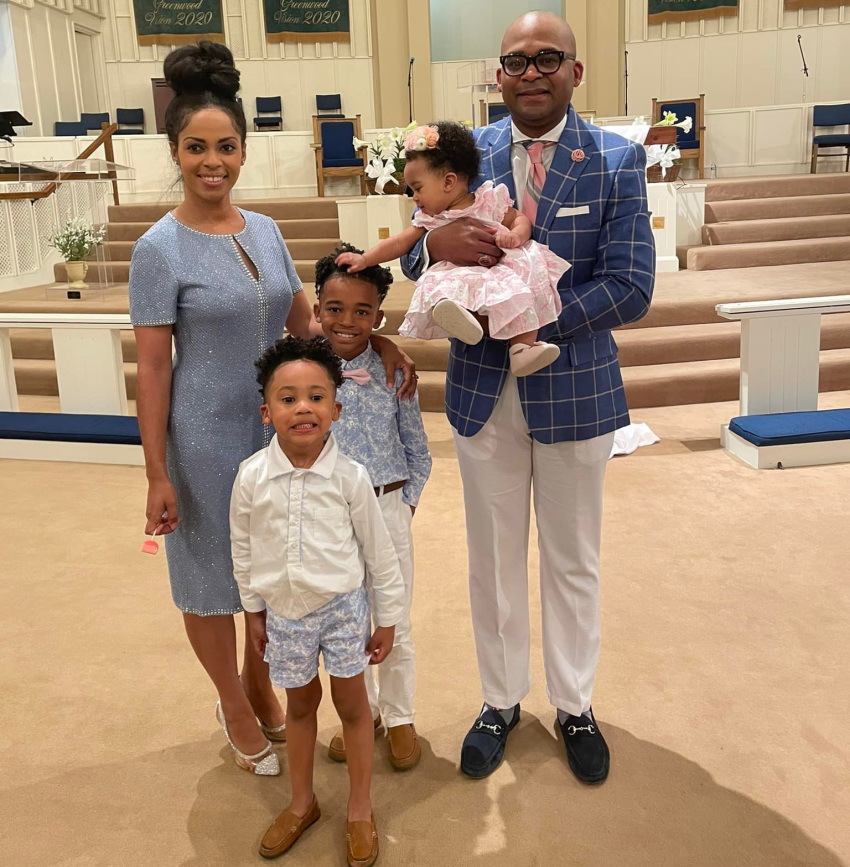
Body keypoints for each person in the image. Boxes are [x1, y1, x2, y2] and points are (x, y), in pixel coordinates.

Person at [129, 41, 414, 777]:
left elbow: (308, 328)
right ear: (175, 150)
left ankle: (260, 685)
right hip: (203, 433)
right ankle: (231, 701)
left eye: (225, 146)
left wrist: (371, 344)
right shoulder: (158, 249)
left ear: (244, 152)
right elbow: (154, 367)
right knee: (210, 579)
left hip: (281, 434)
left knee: (267, 567)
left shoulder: (264, 230)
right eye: (196, 147)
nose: (211, 161)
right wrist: (157, 471)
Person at [402, 12, 655, 784]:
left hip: (574, 384)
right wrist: (429, 248)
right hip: (482, 393)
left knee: (574, 557)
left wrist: (532, 316)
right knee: (493, 558)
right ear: (499, 76)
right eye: (516, 60)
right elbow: (416, 247)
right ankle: (500, 700)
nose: (532, 70)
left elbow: (632, 285)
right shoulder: (462, 153)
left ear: (575, 72)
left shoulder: (613, 160)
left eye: (549, 57)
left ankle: (574, 702)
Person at [231, 336, 404, 866]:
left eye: (315, 396)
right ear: (267, 411)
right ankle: (302, 803)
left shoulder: (351, 479)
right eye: (287, 398)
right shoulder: (251, 477)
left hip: (344, 609)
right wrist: (254, 611)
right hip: (285, 614)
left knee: (353, 709)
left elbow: (381, 554)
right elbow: (243, 547)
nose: (302, 407)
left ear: (336, 408)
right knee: (301, 708)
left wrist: (389, 618)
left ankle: (358, 807)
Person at [313, 245, 432, 771]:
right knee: (346, 617)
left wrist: (404, 504)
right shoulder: (303, 371)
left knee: (392, 615)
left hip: (386, 509)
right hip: (327, 516)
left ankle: (400, 713)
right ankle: (361, 714)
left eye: (363, 312)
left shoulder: (393, 372)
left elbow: (418, 449)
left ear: (378, 317)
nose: (347, 321)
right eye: (334, 309)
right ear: (316, 310)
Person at [336, 121, 570, 377]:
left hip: (498, 271)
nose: (414, 197)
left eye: (417, 188)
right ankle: (463, 318)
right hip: (462, 275)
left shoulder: (488, 201)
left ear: (448, 182)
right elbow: (400, 243)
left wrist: (516, 235)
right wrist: (366, 258)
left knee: (520, 290)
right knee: (442, 285)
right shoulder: (431, 218)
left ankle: (521, 350)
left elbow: (519, 218)